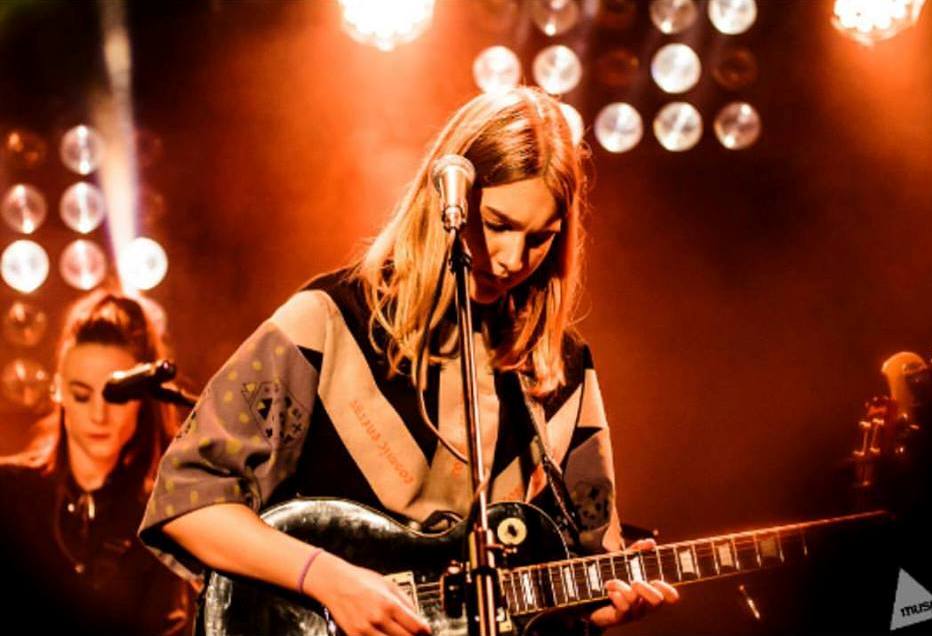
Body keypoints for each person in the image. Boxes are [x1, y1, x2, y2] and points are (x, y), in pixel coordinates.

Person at [139, 86, 679, 635]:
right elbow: (187, 500)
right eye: (496, 224)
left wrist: (603, 607)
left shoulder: (559, 369)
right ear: (443, 202)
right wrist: (328, 579)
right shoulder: (326, 322)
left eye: (540, 238)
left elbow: (584, 567)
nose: (514, 259)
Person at [0, 290, 194, 635]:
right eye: (81, 395)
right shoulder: (8, 492)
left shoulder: (164, 517)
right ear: (58, 391)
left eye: (114, 396)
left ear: (141, 399)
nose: (99, 415)